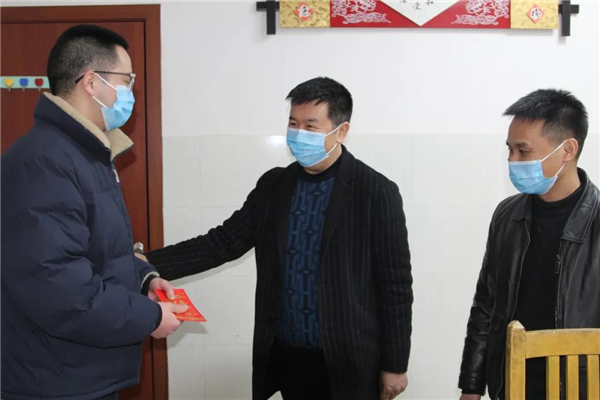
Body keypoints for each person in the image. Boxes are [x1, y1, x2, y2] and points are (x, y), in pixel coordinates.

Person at [143, 77, 414, 400]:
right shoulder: (274, 185)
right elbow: (223, 242)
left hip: (350, 358)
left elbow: (395, 286)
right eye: (293, 124)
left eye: (310, 126)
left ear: (341, 131)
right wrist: (145, 263)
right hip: (287, 355)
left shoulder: (376, 192)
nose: (298, 134)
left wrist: (395, 364)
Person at [1, 25, 186, 400]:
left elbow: (99, 249)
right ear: (91, 82)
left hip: (78, 370)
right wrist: (148, 318)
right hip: (55, 379)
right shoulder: (45, 161)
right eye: (126, 80)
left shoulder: (84, 153)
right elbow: (58, 285)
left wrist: (144, 278)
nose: (130, 92)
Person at [458, 89, 599, 400]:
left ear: (568, 150)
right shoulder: (508, 215)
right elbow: (486, 305)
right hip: (512, 384)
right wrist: (472, 386)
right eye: (510, 150)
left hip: (581, 386)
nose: (513, 160)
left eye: (523, 151)